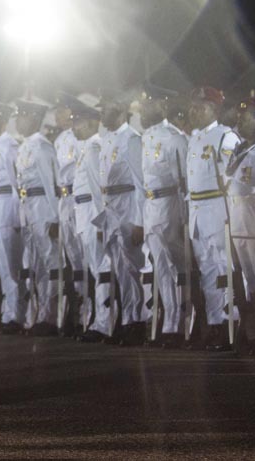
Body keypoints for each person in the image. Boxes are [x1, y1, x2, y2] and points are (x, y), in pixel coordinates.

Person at [186, 86, 239, 351]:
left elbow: (231, 180)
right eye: (194, 106)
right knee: (207, 271)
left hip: (218, 209)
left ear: (213, 109)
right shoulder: (194, 138)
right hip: (197, 210)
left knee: (223, 269)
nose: (194, 111)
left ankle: (232, 324)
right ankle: (215, 323)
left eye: (200, 107)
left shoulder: (225, 137)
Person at [139, 84, 189, 348]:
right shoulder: (145, 138)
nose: (144, 108)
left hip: (171, 204)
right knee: (161, 267)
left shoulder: (175, 137)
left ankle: (184, 322)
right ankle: (169, 323)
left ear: (164, 105)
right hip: (151, 206)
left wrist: (185, 218)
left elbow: (185, 182)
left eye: (150, 103)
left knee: (179, 265)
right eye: (144, 103)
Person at [96, 92, 146, 346]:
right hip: (112, 208)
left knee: (132, 266)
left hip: (128, 206)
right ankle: (127, 318)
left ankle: (138, 320)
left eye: (105, 110)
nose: (101, 115)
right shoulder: (107, 140)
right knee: (119, 267)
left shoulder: (131, 139)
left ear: (118, 111)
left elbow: (140, 182)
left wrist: (140, 220)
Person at [68, 95, 114, 343]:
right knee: (96, 269)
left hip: (92, 213)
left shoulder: (95, 147)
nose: (74, 126)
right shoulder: (87, 147)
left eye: (78, 122)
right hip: (83, 212)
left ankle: (104, 322)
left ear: (92, 123)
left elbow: (98, 190)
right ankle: (100, 319)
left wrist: (100, 222)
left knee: (102, 268)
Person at [15, 98, 61, 336]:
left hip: (43, 207)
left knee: (49, 262)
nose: (17, 120)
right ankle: (37, 314)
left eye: (22, 115)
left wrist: (54, 218)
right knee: (34, 265)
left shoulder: (42, 147)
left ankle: (50, 316)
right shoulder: (24, 146)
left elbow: (50, 184)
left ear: (33, 118)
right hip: (29, 208)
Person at [0, 101, 24, 334]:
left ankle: (15, 316)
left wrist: (17, 216)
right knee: (1, 266)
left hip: (7, 209)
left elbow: (15, 183)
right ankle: (8, 313)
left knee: (11, 268)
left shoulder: (10, 146)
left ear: (2, 121)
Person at [227, 96, 255, 354]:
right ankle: (252, 335)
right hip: (240, 225)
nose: (240, 119)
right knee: (250, 285)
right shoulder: (240, 150)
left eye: (246, 116)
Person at [54, 98, 86, 336]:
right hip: (64, 199)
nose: (58, 114)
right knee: (73, 260)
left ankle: (89, 312)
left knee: (87, 259)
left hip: (80, 197)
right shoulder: (59, 140)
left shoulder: (82, 137)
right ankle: (76, 312)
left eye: (62, 109)